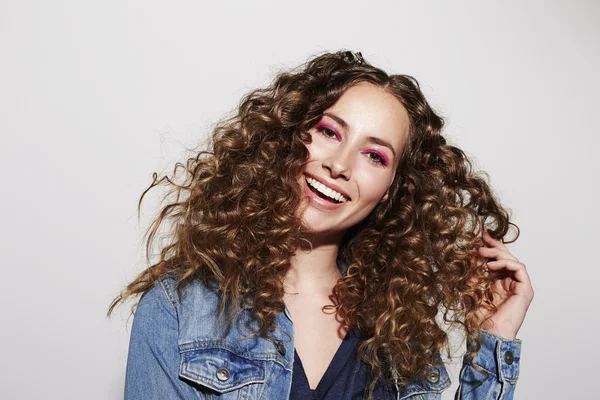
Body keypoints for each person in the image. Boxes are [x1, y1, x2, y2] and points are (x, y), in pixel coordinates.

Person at [109, 50, 533, 400]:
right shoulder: (180, 308)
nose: (339, 165)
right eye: (330, 132)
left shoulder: (401, 334)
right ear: (289, 135)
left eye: (375, 156)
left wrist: (490, 341)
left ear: (390, 190)